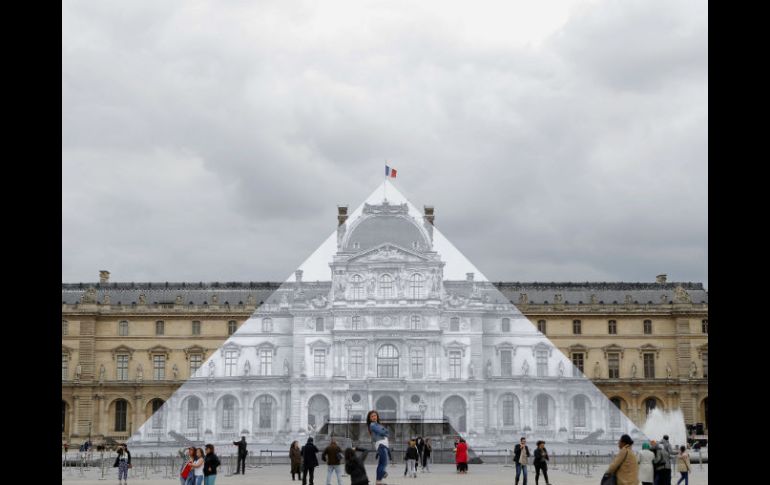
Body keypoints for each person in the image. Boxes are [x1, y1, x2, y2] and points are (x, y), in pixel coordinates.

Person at [367, 410, 390, 485]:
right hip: (381, 445)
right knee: (383, 463)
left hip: (383, 445)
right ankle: (381, 476)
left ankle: (378, 480)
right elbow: (383, 432)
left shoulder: (377, 424)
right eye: (372, 416)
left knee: (382, 463)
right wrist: (385, 430)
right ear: (370, 418)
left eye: (375, 415)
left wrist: (384, 430)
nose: (374, 417)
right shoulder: (373, 425)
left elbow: (385, 432)